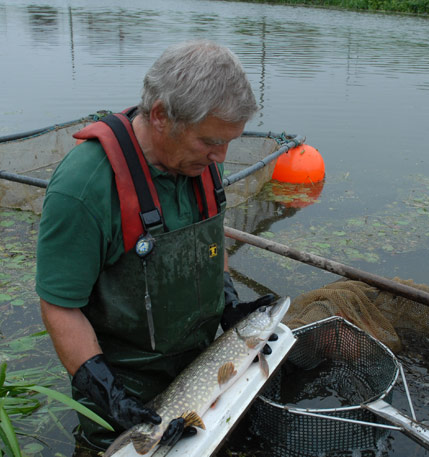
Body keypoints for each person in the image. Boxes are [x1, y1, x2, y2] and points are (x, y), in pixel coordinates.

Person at [36, 40, 275, 452]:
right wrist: (110, 397)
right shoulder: (85, 186)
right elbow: (59, 306)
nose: (221, 156)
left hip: (204, 388)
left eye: (228, 142)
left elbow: (210, 250)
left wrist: (230, 303)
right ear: (162, 115)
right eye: (209, 141)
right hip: (127, 396)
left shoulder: (200, 164)